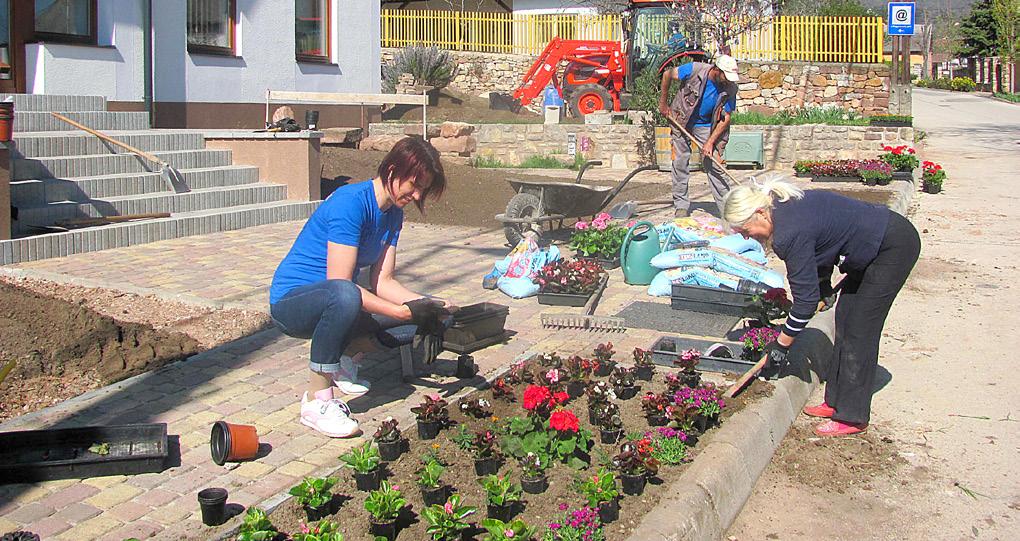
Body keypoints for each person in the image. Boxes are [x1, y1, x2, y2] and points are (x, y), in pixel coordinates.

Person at [268, 137, 450, 438]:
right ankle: (316, 401)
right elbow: (341, 284)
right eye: (414, 185)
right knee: (347, 296)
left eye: (423, 189)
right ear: (392, 169)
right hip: (293, 302)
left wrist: (430, 306)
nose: (417, 194)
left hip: (339, 300)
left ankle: (342, 361)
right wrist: (402, 313)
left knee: (420, 316)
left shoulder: (393, 214)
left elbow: (384, 282)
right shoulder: (350, 202)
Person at [722, 180, 920, 437]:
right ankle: (835, 401)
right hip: (871, 246)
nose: (748, 237)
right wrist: (824, 287)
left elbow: (804, 303)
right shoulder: (783, 208)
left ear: (759, 213)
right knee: (846, 318)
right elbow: (822, 246)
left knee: (860, 328)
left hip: (891, 248)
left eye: (746, 230)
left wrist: (780, 346)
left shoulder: (788, 232)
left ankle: (852, 416)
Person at [659, 54, 740, 218]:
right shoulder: (694, 69)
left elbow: (726, 118)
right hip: (680, 118)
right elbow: (667, 74)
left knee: (714, 163)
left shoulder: (731, 88)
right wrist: (663, 103)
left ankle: (727, 209)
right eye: (726, 76)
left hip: (705, 125)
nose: (728, 81)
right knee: (680, 161)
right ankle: (681, 205)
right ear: (717, 70)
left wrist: (710, 143)